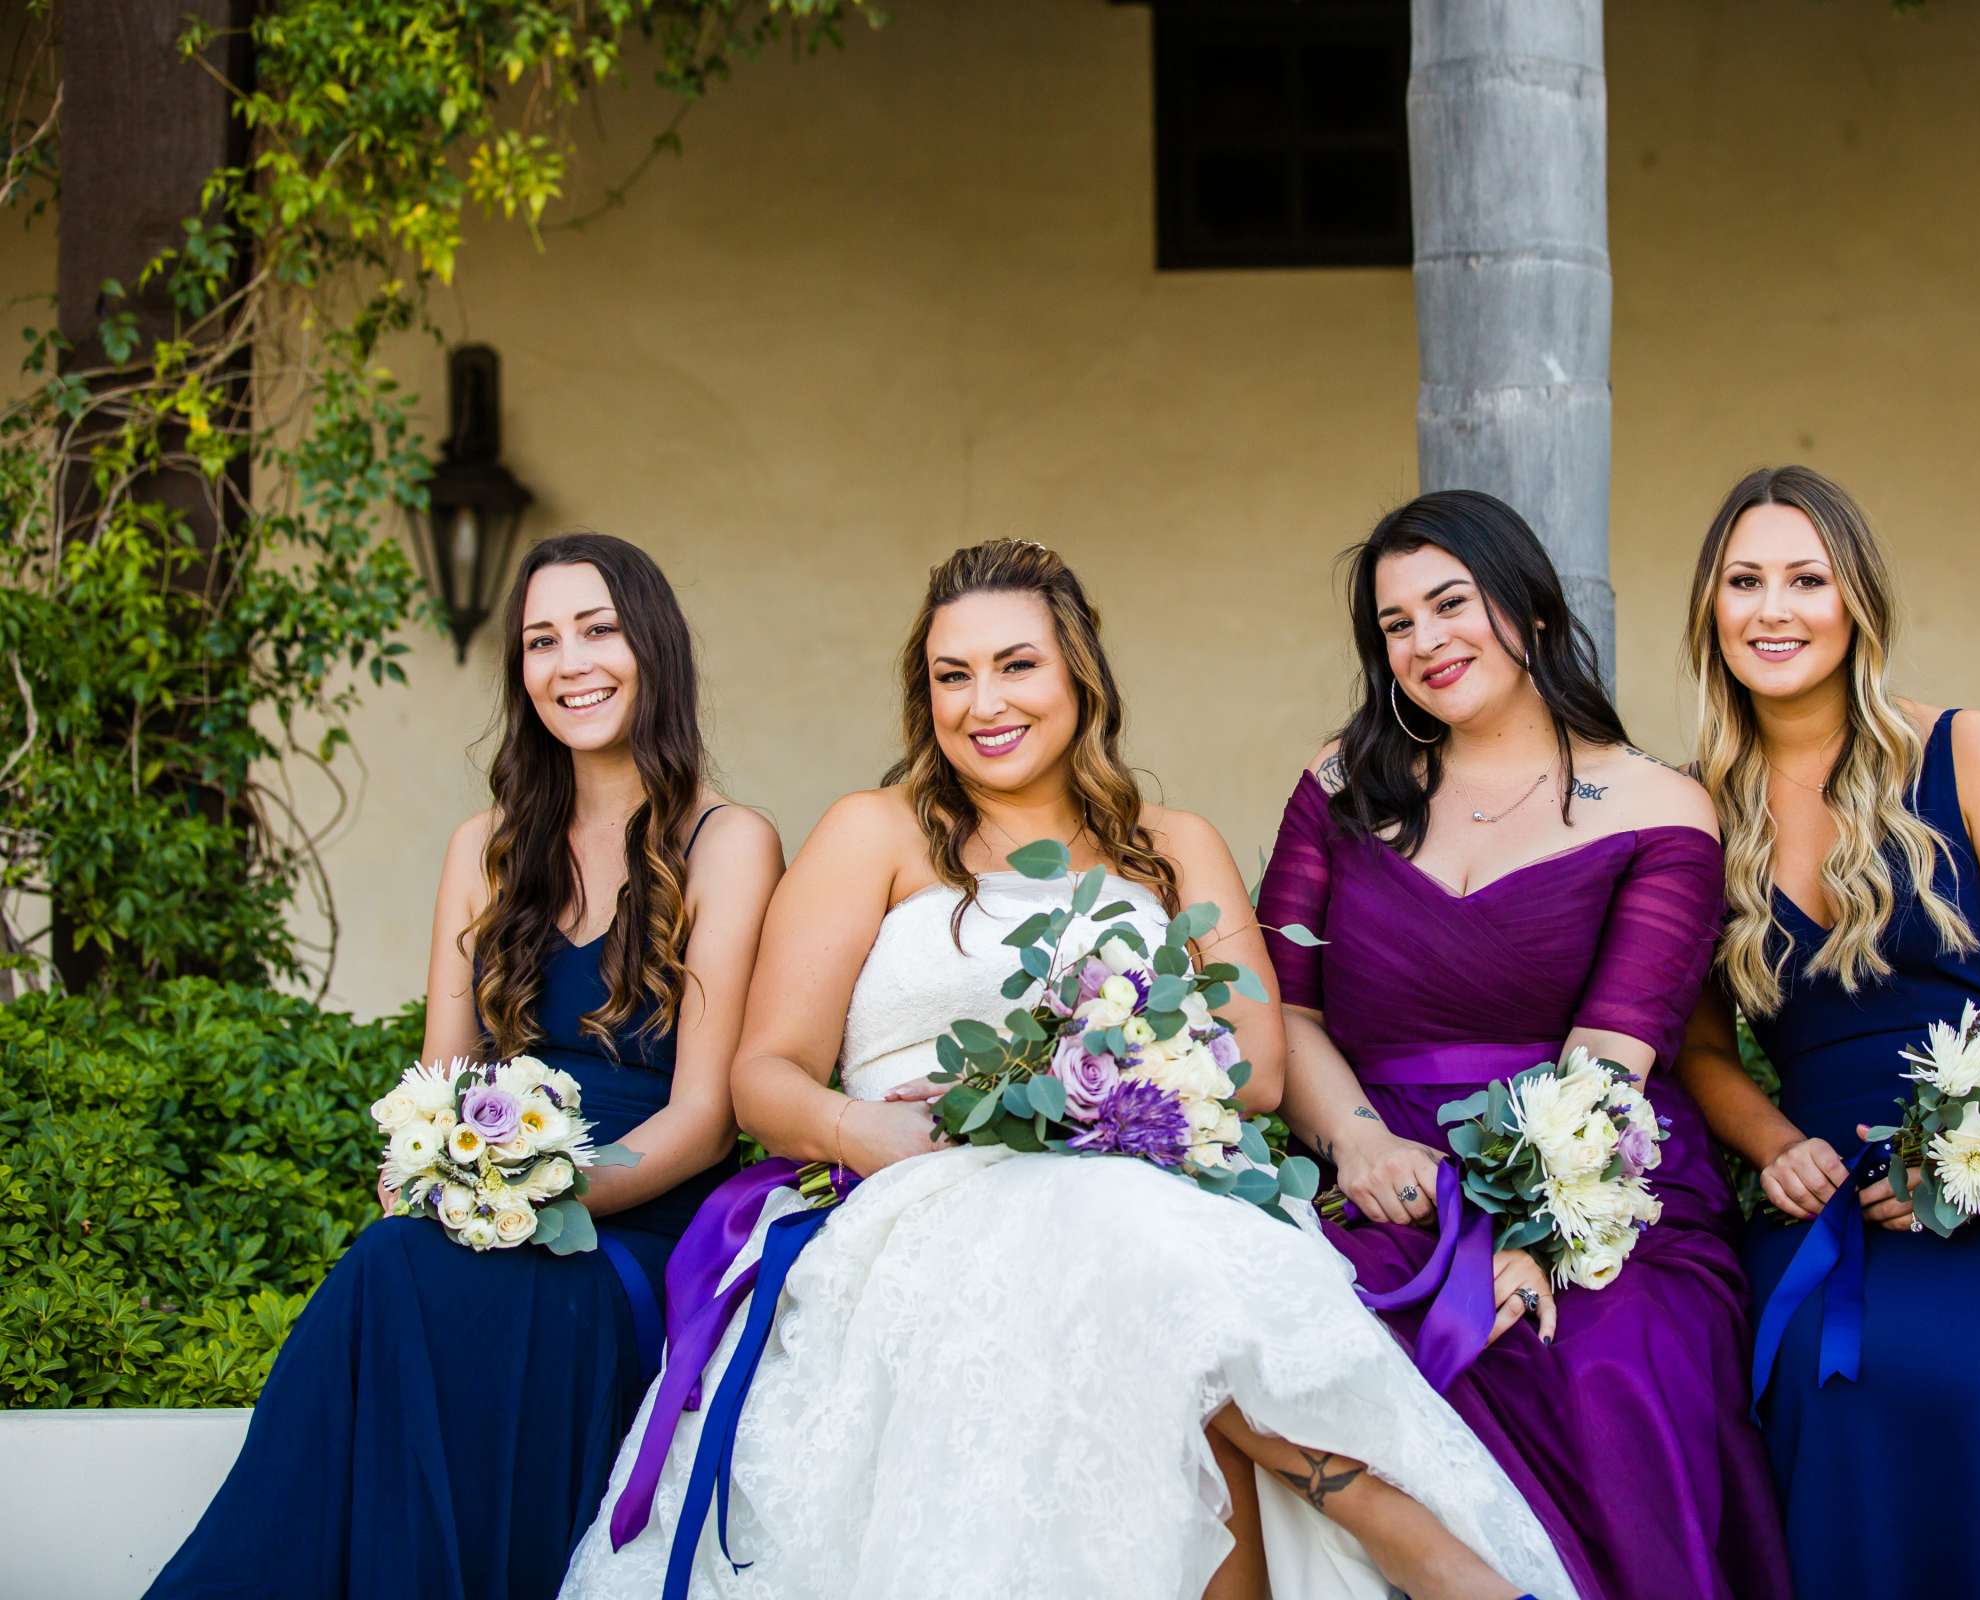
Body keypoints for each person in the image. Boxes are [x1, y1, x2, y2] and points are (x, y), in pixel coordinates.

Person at [563, 539, 1569, 1600]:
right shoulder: (877, 833)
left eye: (1015, 665)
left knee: (1112, 1230)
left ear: (1079, 677)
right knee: (1110, 1242)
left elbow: (1259, 1066)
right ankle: (1378, 1512)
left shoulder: (1171, 844)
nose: (981, 702)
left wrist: (1089, 1084)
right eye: (952, 676)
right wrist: (872, 1133)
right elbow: (765, 1075)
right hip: (911, 1191)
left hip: (1145, 1189)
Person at [148, 532, 783, 1600]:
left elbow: (705, 1119)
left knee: (402, 1278)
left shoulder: (728, 841)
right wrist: (437, 1181)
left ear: (654, 648)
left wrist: (553, 1193)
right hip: (491, 1208)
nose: (569, 662)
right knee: (392, 1264)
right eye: (541, 640)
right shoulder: (483, 846)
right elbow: (438, 1081)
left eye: (598, 630)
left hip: (637, 1227)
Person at [1253, 490, 1791, 1600]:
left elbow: (1613, 1058)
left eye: (1451, 603)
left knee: (1602, 1365)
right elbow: (1286, 1008)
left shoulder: (1658, 808)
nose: (1426, 641)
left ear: (1532, 610)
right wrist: (1355, 1144)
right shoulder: (1343, 786)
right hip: (1378, 1161)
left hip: (1598, 1183)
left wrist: (1537, 1237)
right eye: (1396, 624)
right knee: (1278, 1330)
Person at [1674, 466, 1980, 1600]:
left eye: (1806, 579)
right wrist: (1773, 1144)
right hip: (1827, 1190)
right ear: (1710, 610)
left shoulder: (1962, 750)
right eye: (1745, 581)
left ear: (1857, 604)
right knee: (1821, 1385)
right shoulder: (1689, 809)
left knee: (1971, 1374)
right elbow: (1695, 1047)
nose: (1773, 609)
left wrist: (1978, 1139)